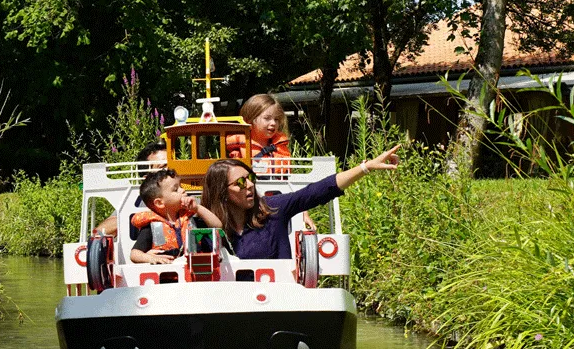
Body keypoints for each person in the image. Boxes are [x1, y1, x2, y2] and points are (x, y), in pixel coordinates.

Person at [200, 145, 400, 260]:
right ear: (222, 193)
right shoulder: (206, 230)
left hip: (282, 302)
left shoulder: (272, 209)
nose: (250, 185)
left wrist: (366, 168)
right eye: (241, 182)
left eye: (250, 177)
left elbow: (318, 191)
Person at [227, 93, 316, 230]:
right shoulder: (239, 149)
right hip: (250, 210)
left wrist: (303, 213)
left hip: (279, 205)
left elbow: (291, 186)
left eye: (276, 119)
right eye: (267, 118)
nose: (273, 123)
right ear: (250, 119)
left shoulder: (281, 147)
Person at [130, 168, 222, 264]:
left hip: (195, 271)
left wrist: (198, 208)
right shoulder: (152, 226)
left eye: (181, 186)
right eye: (176, 189)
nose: (182, 190)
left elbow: (218, 227)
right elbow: (134, 254)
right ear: (159, 203)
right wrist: (150, 258)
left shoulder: (190, 217)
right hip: (169, 274)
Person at [94, 140, 168, 237]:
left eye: (172, 164)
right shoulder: (135, 201)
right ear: (146, 178)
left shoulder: (188, 193)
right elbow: (99, 232)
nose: (170, 170)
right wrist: (140, 217)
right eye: (163, 167)